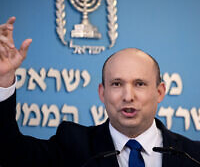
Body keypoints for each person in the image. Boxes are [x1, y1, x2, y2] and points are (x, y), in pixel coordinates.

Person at [0, 17, 199, 167]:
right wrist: (4, 78)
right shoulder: (73, 145)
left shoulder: (192, 155)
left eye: (139, 84)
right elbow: (9, 153)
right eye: (117, 84)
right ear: (102, 93)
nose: (128, 96)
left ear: (160, 92)